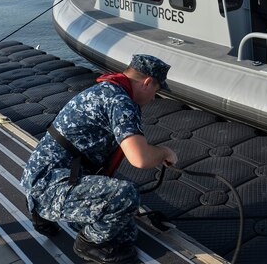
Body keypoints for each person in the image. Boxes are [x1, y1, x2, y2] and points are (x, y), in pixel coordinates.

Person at [20, 54, 177, 264]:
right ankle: (88, 244)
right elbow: (140, 159)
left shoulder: (106, 89)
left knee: (126, 235)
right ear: (147, 83)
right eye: (156, 92)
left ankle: (43, 212)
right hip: (50, 185)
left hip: (45, 177)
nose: (153, 99)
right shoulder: (121, 101)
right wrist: (165, 152)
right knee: (126, 195)